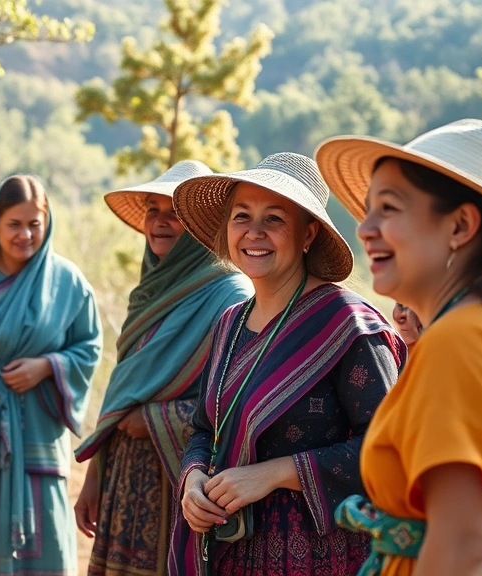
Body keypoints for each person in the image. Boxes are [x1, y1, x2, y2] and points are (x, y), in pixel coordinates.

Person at [316, 118, 482, 575]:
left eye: (389, 208)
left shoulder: (463, 342)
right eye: (369, 208)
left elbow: (463, 544)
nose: (364, 228)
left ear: (460, 225)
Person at [169, 153, 407, 576]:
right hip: (230, 551)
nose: (254, 233)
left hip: (321, 557)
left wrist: (276, 473)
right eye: (242, 216)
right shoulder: (229, 323)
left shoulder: (348, 326)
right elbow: (206, 428)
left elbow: (391, 450)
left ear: (308, 234)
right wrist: (192, 481)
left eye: (274, 219)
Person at [74, 160, 254, 576]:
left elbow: (232, 400)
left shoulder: (230, 294)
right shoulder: (150, 291)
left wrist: (153, 418)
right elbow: (124, 388)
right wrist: (95, 476)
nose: (159, 222)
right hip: (125, 468)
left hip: (183, 481)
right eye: (152, 211)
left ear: (199, 226)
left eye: (174, 213)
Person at [0, 175, 103, 576]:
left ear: (47, 223)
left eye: (35, 223)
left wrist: (47, 366)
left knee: (45, 548)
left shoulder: (67, 282)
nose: (25, 234)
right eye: (14, 224)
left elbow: (90, 346)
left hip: (40, 436)